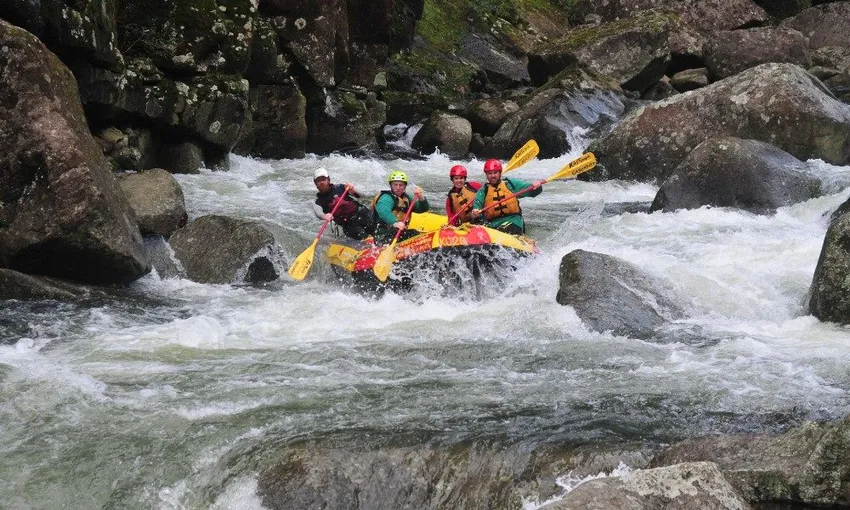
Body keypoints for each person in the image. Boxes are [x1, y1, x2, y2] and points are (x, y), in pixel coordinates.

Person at [470, 158, 543, 235]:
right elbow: (476, 209)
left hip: (513, 221)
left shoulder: (510, 184)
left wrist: (536, 186)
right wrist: (475, 214)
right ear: (486, 175)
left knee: (505, 229)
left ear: (500, 173)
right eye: (490, 173)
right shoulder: (483, 191)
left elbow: (531, 191)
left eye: (495, 173)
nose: (493, 176)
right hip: (493, 224)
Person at [312, 167, 374, 240]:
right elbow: (318, 212)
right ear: (315, 183)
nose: (321, 182)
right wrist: (324, 216)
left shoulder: (341, 187)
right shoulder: (319, 202)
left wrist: (353, 190)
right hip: (349, 226)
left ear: (328, 180)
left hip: (362, 214)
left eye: (323, 179)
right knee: (365, 240)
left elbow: (362, 195)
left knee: (378, 231)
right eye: (318, 180)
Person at [372, 170, 429, 243]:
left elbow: (422, 209)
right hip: (383, 235)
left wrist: (421, 198)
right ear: (391, 186)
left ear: (405, 186)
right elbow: (384, 212)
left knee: (413, 233)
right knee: (413, 234)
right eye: (395, 185)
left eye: (401, 185)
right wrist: (395, 223)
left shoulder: (407, 198)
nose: (398, 187)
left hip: (398, 232)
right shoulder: (386, 198)